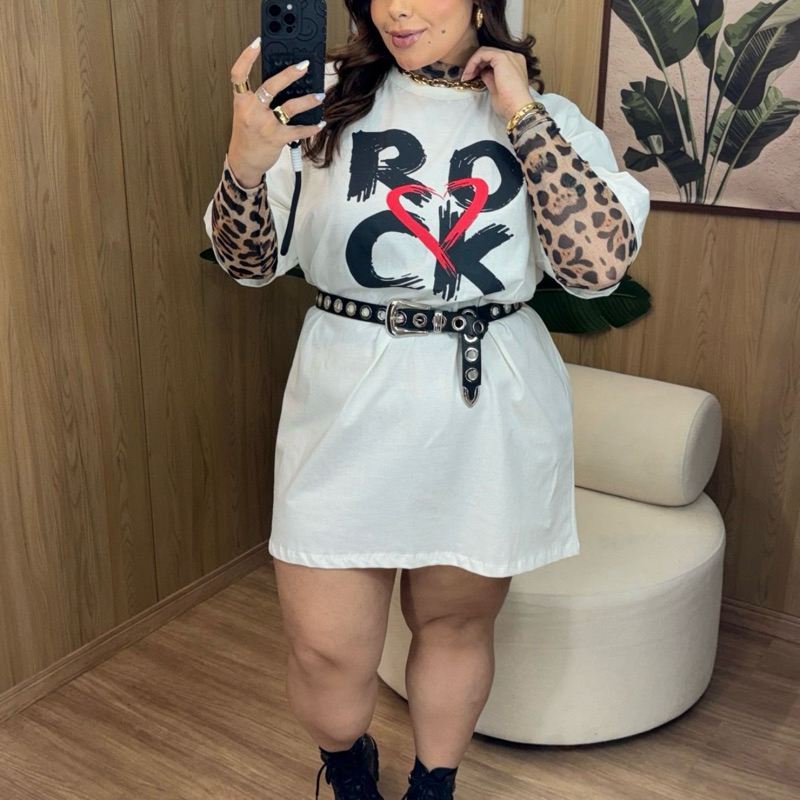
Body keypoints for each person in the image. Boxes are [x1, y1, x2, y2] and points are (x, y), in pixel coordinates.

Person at [204, 1, 650, 797]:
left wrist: (520, 114)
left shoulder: (548, 118)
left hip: (483, 404)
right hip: (345, 400)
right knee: (325, 650)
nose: (398, 9)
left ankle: (432, 787)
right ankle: (347, 763)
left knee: (454, 623)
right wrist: (245, 164)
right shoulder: (321, 103)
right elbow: (247, 264)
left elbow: (595, 270)